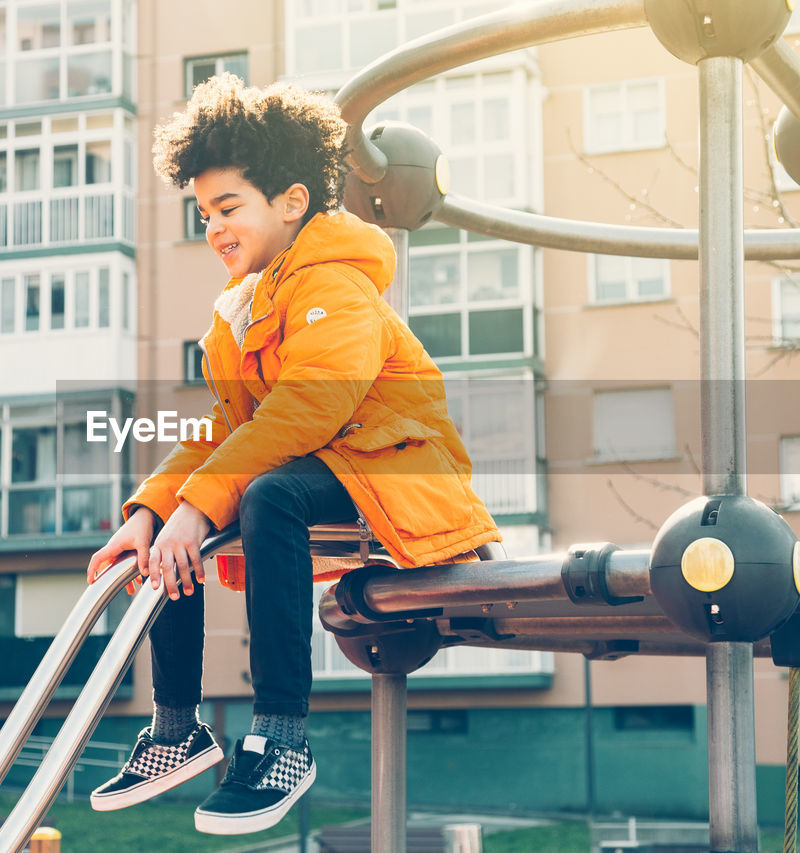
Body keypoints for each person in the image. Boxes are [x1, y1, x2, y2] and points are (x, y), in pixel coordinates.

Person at [86, 74, 499, 835]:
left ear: (292, 201)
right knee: (189, 521)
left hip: (397, 470)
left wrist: (198, 503)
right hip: (320, 468)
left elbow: (308, 408)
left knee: (260, 494)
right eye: (203, 212)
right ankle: (177, 726)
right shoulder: (247, 306)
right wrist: (153, 509)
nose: (214, 226)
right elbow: (228, 425)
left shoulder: (335, 286)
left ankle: (281, 736)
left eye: (228, 207)